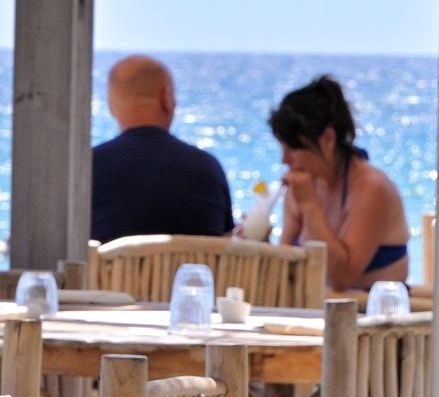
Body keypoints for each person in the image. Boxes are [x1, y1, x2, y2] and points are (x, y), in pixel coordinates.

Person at [269, 74, 408, 291]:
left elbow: (342, 278)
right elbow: (283, 270)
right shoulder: (305, 186)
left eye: (293, 148)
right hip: (310, 315)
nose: (284, 160)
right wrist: (261, 242)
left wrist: (311, 208)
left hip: (371, 318)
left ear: (328, 139)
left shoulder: (371, 188)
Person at [90, 53, 235, 242]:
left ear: (111, 107)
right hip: (192, 272)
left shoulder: (90, 167)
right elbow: (224, 246)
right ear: (166, 98)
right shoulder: (209, 169)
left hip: (110, 272)